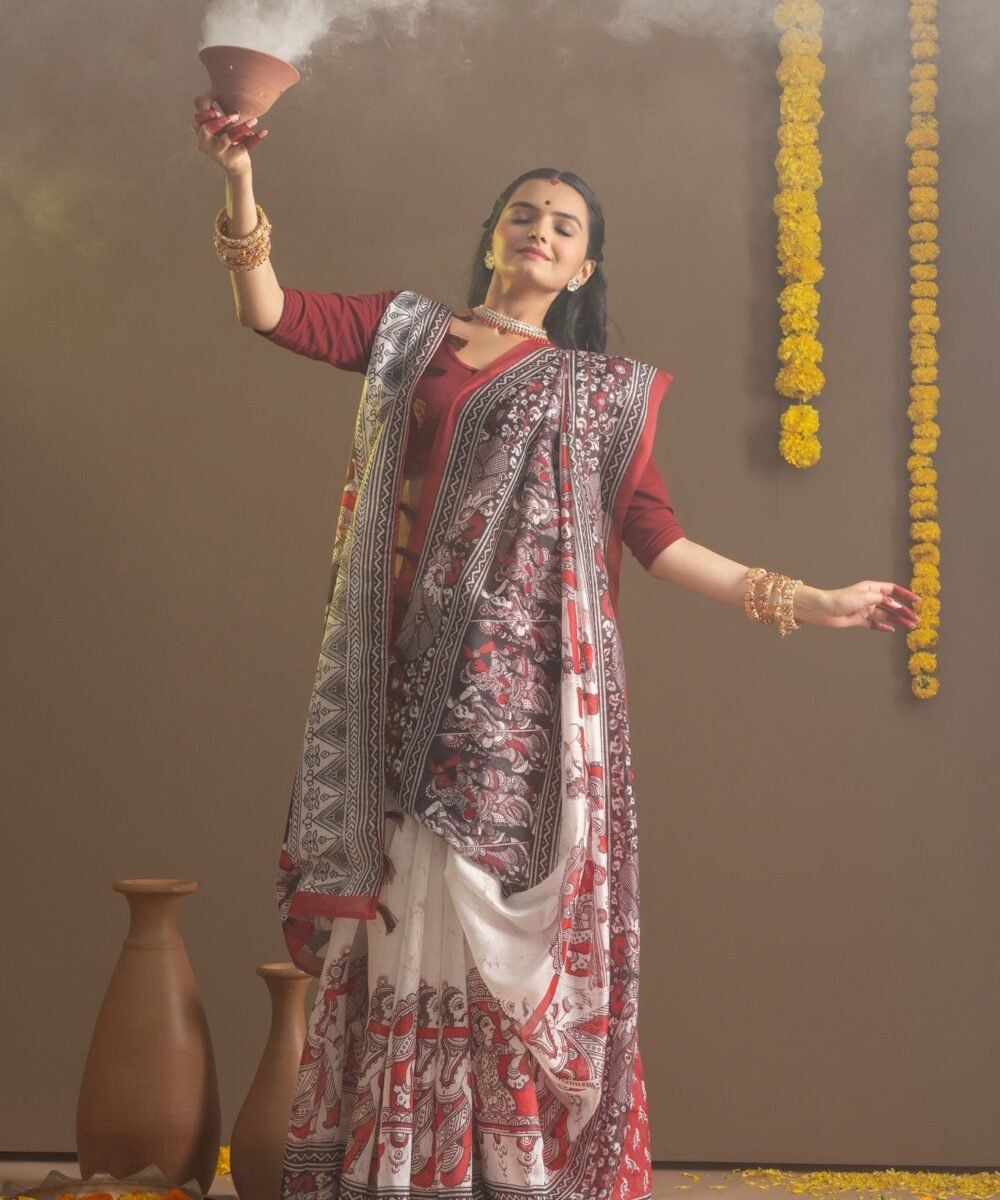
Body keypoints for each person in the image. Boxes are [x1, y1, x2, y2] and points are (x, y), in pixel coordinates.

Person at [192, 98, 920, 1200]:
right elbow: (272, 310)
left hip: (523, 705)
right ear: (493, 234)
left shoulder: (600, 398)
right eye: (524, 213)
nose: (540, 230)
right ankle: (395, 1172)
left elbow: (660, 542)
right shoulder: (409, 332)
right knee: (403, 909)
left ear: (583, 269)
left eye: (565, 226)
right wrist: (239, 178)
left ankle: (501, 1176)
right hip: (396, 687)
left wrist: (811, 599)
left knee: (485, 919)